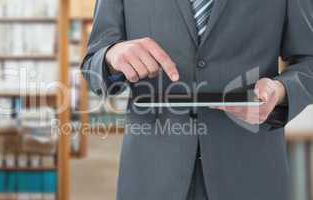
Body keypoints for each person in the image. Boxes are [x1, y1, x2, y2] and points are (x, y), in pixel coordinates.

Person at [81, 0, 313, 199]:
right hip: (152, 172)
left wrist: (280, 89)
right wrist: (112, 56)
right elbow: (93, 64)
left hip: (251, 170)